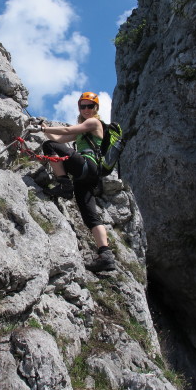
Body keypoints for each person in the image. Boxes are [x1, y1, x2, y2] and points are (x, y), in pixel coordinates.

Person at [35, 91, 116, 273]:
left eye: (90, 106)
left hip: (87, 165)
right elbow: (59, 139)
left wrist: (42, 130)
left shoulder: (94, 123)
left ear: (96, 108)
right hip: (88, 176)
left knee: (48, 147)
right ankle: (106, 256)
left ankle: (64, 184)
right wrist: (46, 128)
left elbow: (66, 131)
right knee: (90, 216)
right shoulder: (83, 131)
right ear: (79, 107)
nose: (86, 109)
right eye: (83, 106)